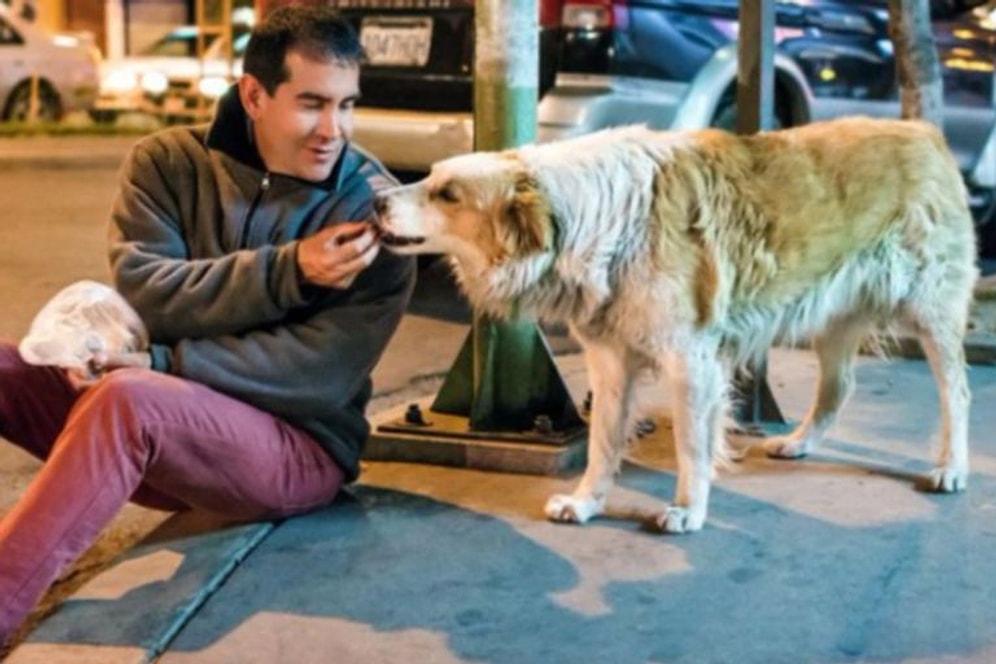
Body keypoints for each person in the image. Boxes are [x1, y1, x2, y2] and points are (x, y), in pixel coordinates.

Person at [0, 5, 415, 642]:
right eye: (310, 104)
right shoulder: (167, 162)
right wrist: (290, 271)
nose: (333, 129)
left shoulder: (368, 209)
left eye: (347, 105)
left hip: (293, 453)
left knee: (128, 399)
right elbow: (149, 294)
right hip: (173, 442)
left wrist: (163, 365)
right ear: (253, 94)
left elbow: (319, 375)